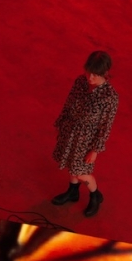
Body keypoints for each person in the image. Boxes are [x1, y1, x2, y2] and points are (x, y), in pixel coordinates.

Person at [51, 51, 119, 217]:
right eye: (88, 72)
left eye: (95, 75)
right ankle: (73, 191)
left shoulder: (110, 97)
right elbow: (68, 103)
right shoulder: (80, 81)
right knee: (70, 164)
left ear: (105, 73)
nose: (90, 77)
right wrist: (61, 123)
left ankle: (95, 195)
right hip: (70, 129)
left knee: (80, 172)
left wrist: (95, 150)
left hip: (86, 139)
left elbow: (105, 127)